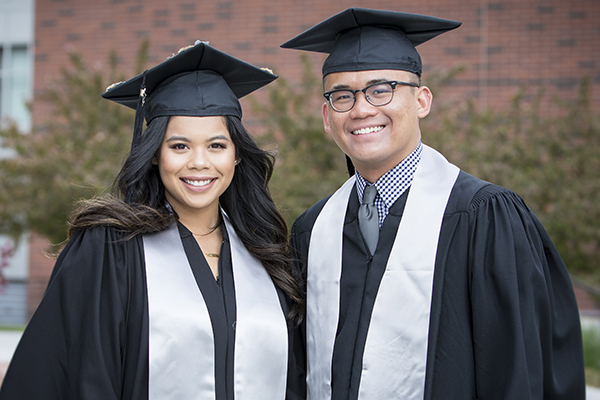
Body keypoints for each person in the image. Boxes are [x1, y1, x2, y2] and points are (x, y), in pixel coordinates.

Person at [281, 8, 585, 400]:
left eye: (381, 89)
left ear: (422, 100)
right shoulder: (312, 230)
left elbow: (518, 369)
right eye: (342, 96)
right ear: (326, 116)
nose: (360, 109)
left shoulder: (484, 217)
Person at [0, 41, 303, 399]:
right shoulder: (110, 251)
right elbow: (74, 373)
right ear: (155, 154)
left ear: (237, 156)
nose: (199, 162)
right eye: (179, 146)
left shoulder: (265, 255)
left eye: (217, 146)